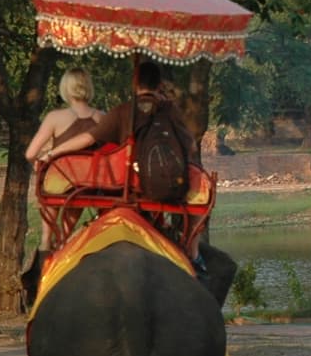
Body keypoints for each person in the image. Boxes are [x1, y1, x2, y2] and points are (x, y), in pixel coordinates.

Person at [41, 59, 207, 273]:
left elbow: (88, 139)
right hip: (168, 187)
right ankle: (192, 253)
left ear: (135, 83)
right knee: (200, 200)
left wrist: (52, 154)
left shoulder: (123, 111)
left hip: (125, 187)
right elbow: (191, 146)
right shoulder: (170, 111)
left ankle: (51, 251)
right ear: (159, 85)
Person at [25, 67, 103, 252]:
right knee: (75, 186)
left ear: (65, 88)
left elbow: (30, 154)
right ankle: (65, 238)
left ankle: (46, 240)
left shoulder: (55, 117)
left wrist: (39, 163)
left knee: (51, 183)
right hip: (87, 185)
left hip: (58, 183)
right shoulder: (102, 117)